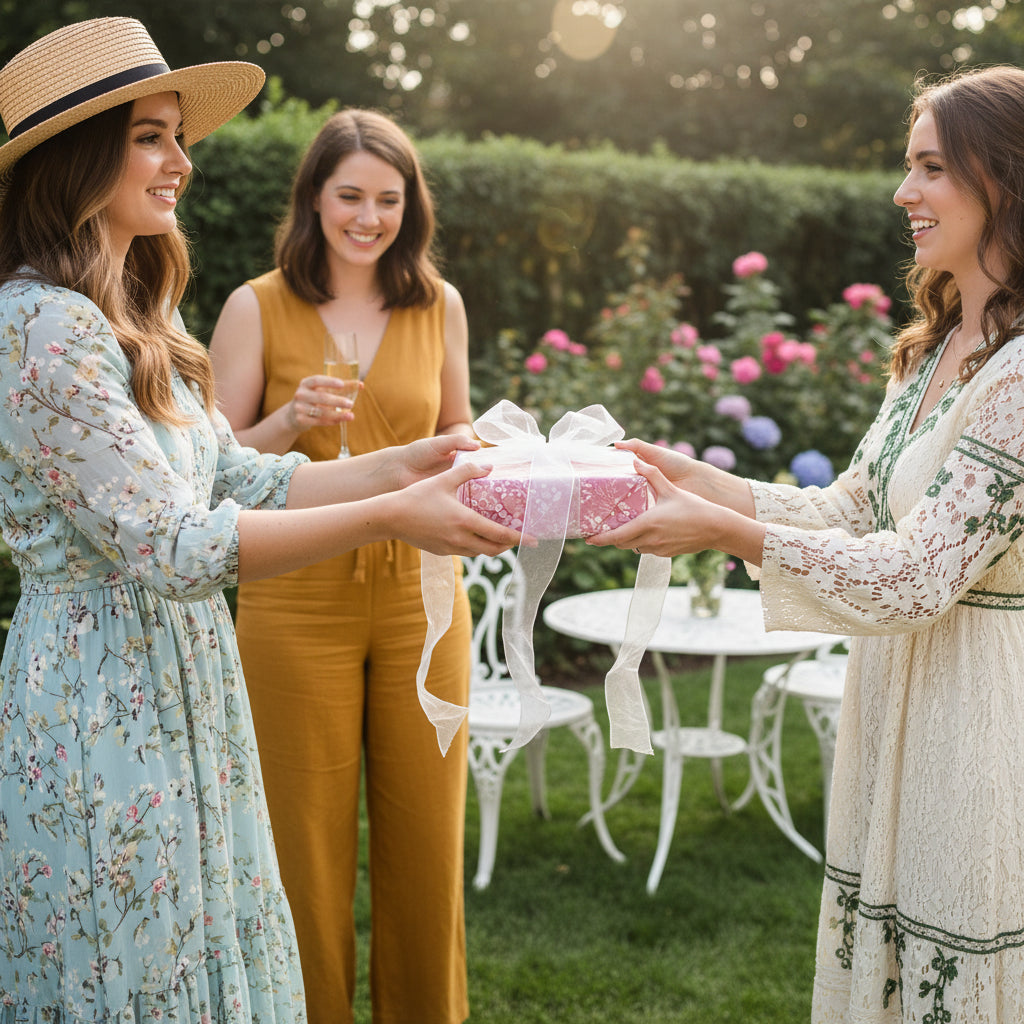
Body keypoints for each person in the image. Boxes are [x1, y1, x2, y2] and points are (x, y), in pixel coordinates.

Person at [0, 20, 519, 1024]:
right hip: (103, 693)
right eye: (151, 136)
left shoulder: (129, 308)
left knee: (201, 951)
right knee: (130, 965)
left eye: (176, 136)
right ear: (78, 155)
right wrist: (398, 508)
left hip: (180, 676)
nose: (181, 162)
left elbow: (233, 474)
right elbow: (172, 545)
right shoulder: (40, 325)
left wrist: (412, 457)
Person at [592, 65, 1024, 1022]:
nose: (903, 193)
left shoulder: (1022, 376)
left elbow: (917, 576)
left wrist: (723, 533)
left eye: (930, 169)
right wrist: (701, 482)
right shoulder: (941, 345)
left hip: (980, 724)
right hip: (898, 709)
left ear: (1005, 179)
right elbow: (855, 509)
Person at [207, 110, 474, 1024]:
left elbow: (454, 429)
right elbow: (207, 468)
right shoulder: (255, 305)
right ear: (314, 198)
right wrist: (286, 422)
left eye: (389, 199)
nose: (369, 217)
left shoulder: (437, 302)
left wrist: (492, 450)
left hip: (424, 596)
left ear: (412, 207)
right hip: (294, 599)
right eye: (350, 195)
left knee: (427, 838)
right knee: (301, 847)